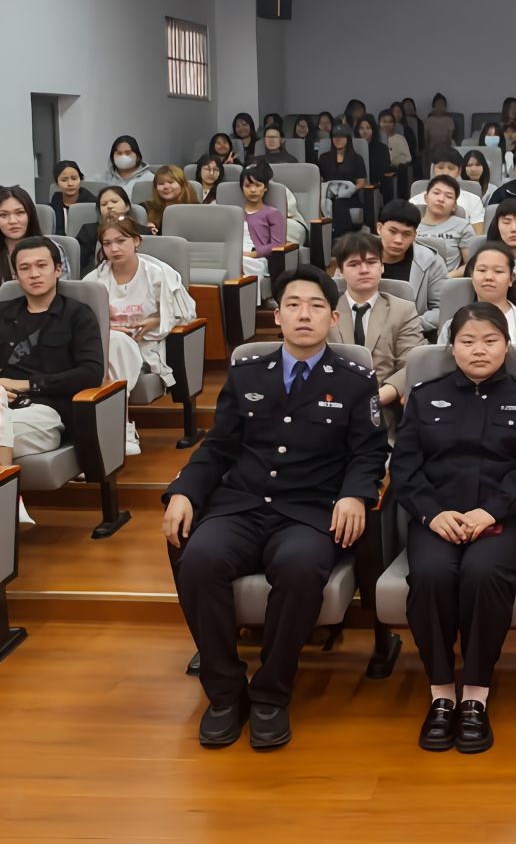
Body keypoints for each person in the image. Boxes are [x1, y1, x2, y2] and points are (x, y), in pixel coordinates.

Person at [163, 267, 386, 750]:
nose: (304, 314)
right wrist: (184, 491)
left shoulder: (355, 381)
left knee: (300, 568)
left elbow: (369, 452)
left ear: (334, 317)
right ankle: (225, 693)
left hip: (309, 510)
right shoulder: (247, 373)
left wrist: (355, 495)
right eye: (293, 305)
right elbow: (218, 447)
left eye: (316, 306)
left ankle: (270, 692)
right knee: (199, 559)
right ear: (277, 315)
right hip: (241, 505)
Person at [394, 302, 516, 750]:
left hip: (502, 520)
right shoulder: (424, 396)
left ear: (507, 345)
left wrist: (493, 511)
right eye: (467, 341)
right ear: (452, 347)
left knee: (483, 574)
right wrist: (432, 513)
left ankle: (476, 693)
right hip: (437, 518)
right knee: (430, 575)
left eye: (490, 341)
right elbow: (405, 468)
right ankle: (441, 691)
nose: (479, 350)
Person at [0, 237, 104, 465]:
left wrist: (26, 384)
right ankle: (4, 487)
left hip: (44, 411)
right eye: (25, 268)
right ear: (15, 275)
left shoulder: (78, 315)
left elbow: (90, 374)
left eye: (42, 265)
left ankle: (1, 486)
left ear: (58, 269)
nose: (34, 274)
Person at [84, 216, 196, 409]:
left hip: (145, 345)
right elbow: (81, 323)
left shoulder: (158, 274)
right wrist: (109, 329)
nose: (114, 249)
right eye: (107, 244)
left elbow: (186, 313)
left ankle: (114, 415)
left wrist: (156, 321)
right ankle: (113, 415)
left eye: (121, 241)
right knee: (113, 343)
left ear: (136, 241)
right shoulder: (93, 281)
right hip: (105, 348)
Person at [328, 231, 425, 416]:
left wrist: (376, 399)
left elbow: (411, 365)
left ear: (382, 266)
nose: (364, 270)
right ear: (340, 270)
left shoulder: (403, 310)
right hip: (331, 404)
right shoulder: (326, 311)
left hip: (383, 407)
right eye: (354, 264)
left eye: (371, 262)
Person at [0, 184, 62, 307]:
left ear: (30, 215)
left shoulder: (53, 250)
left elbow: (63, 299)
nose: (12, 221)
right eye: (3, 215)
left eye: (19, 213)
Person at [441, 243, 516, 351]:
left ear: (511, 278)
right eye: (482, 270)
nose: (489, 277)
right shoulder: (452, 325)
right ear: (472, 275)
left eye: (498, 271)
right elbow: (441, 360)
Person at [378, 201, 449, 315]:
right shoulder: (358, 256)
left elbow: (441, 309)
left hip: (416, 324)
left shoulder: (431, 262)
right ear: (379, 228)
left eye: (406, 234)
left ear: (414, 236)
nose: (398, 240)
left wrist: (411, 323)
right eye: (392, 231)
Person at [412, 149, 487, 228]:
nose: (445, 172)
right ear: (433, 169)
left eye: (451, 168)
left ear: (459, 171)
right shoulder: (415, 201)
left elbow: (477, 233)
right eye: (440, 168)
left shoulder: (473, 200)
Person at [317, 123, 371, 231]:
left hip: (349, 196)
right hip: (328, 195)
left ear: (348, 139)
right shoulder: (324, 158)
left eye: (342, 137)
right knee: (328, 202)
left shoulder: (356, 158)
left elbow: (361, 182)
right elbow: (319, 180)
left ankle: (338, 234)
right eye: (335, 137)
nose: (338, 139)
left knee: (339, 203)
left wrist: (351, 189)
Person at [415, 176, 475, 273]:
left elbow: (471, 265)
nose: (441, 199)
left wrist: (447, 278)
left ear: (454, 206)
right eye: (436, 193)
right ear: (426, 198)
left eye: (449, 196)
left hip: (447, 280)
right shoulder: (411, 225)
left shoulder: (463, 226)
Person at [76, 185, 134, 272]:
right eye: (104, 204)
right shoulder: (88, 231)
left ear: (127, 206)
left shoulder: (143, 231)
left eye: (114, 202)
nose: (109, 206)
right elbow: (82, 265)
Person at [237, 161, 287, 259]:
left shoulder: (272, 213)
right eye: (247, 186)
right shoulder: (236, 214)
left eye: (257, 185)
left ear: (265, 188)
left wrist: (253, 254)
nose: (252, 190)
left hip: (257, 259)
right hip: (234, 257)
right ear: (242, 188)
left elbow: (277, 244)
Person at [145, 165, 199, 236]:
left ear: (182, 184)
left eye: (171, 182)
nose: (166, 187)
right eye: (161, 184)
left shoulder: (197, 208)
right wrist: (146, 230)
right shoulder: (146, 208)